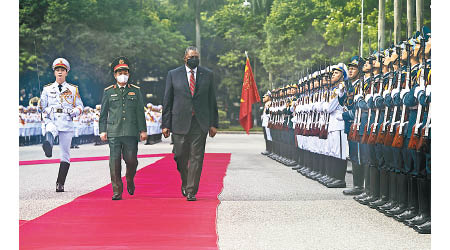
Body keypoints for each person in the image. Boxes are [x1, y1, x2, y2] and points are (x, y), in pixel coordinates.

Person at [162, 46, 219, 201]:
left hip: (199, 123)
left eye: (196, 56)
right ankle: (186, 181)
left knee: (197, 157)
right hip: (179, 122)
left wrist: (214, 123)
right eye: (191, 56)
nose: (194, 59)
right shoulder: (173, 75)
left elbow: (212, 100)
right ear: (185, 58)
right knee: (179, 155)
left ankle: (191, 190)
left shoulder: (207, 75)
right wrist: (165, 124)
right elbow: (167, 100)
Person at [99, 56, 147, 201]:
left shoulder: (136, 91)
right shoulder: (108, 92)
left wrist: (143, 130)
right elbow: (103, 113)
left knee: (131, 160)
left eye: (125, 72)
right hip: (114, 132)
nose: (123, 75)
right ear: (115, 75)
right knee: (114, 162)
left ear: (129, 74)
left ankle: (130, 178)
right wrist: (103, 130)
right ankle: (117, 191)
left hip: (131, 132)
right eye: (120, 73)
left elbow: (140, 112)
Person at [40, 58, 84, 192]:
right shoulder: (47, 89)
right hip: (52, 119)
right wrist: (45, 109)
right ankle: (48, 146)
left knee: (65, 153)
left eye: (62, 70)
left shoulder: (72, 89)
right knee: (50, 130)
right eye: (57, 70)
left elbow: (80, 106)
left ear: (66, 72)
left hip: (66, 120)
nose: (59, 73)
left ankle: (60, 183)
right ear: (54, 73)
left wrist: (75, 112)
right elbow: (40, 106)